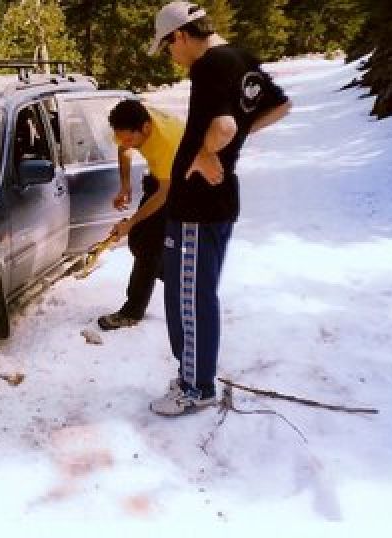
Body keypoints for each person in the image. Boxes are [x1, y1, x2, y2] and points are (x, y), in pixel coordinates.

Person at [146, 2, 292, 416]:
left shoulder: (209, 64)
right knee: (194, 293)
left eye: (168, 48)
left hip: (199, 204)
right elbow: (280, 106)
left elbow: (225, 126)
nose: (171, 57)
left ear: (180, 36)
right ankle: (194, 374)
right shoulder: (241, 58)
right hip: (214, 203)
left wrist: (208, 151)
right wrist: (233, 138)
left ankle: (196, 388)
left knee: (189, 298)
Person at [97, 99, 184, 331]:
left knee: (147, 246)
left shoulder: (167, 141)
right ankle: (180, 280)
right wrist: (125, 185)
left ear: (146, 128)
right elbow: (123, 148)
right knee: (139, 240)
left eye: (130, 138)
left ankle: (132, 311)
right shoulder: (131, 125)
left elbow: (165, 193)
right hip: (161, 178)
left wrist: (131, 221)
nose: (125, 142)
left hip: (184, 184)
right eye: (121, 137)